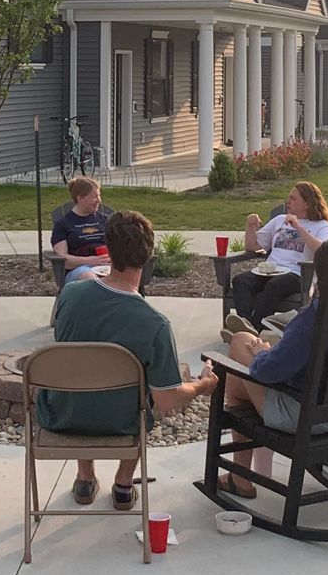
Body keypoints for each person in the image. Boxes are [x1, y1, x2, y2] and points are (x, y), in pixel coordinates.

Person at [39, 210, 217, 511]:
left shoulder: (70, 295)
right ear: (148, 259)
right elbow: (166, 399)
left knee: (85, 376)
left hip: (61, 415)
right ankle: (123, 484)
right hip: (121, 422)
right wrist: (202, 385)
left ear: (107, 251)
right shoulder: (154, 324)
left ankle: (84, 478)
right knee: (140, 398)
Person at [214, 296, 328, 500]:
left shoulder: (315, 315)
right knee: (246, 373)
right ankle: (239, 477)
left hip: (302, 417)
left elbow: (269, 373)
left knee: (240, 341)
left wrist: (262, 353)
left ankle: (240, 476)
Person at [224, 182, 328, 331]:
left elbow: (323, 251)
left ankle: (257, 329)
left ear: (307, 203)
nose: (287, 201)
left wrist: (298, 227)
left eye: (293, 198)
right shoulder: (279, 220)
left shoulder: (322, 226)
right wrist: (249, 226)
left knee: (274, 285)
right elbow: (253, 246)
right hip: (269, 271)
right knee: (240, 281)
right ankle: (246, 327)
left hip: (298, 274)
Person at [50, 175, 113, 283]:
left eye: (99, 196)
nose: (99, 200)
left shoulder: (105, 220)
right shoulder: (63, 224)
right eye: (95, 197)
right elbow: (63, 260)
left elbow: (120, 246)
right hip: (80, 270)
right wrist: (90, 261)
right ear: (80, 198)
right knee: (91, 279)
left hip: (108, 267)